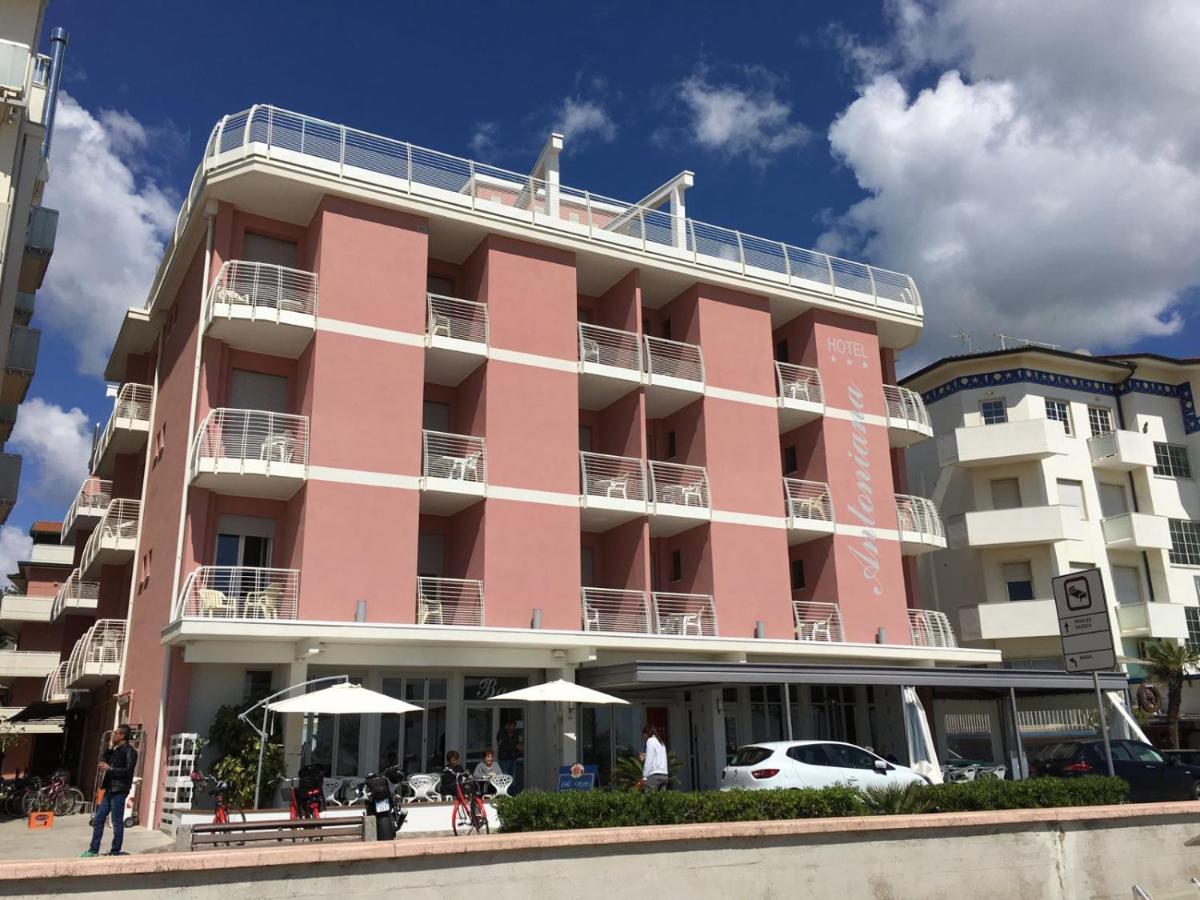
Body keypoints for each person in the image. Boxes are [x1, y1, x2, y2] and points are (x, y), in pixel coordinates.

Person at [81, 724, 137, 857]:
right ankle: (93, 849)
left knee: (116, 822)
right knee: (98, 819)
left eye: (116, 733)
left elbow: (128, 770)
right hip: (109, 789)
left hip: (119, 789)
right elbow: (105, 759)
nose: (113, 735)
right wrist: (110, 748)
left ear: (122, 735)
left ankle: (115, 850)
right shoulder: (116, 750)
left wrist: (110, 769)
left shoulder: (130, 751)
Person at [496, 719, 523, 792]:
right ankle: (503, 793)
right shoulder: (501, 733)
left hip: (513, 759)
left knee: (512, 779)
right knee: (504, 779)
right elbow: (501, 745)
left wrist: (518, 748)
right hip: (504, 759)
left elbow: (520, 744)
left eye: (513, 726)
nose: (511, 728)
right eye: (509, 726)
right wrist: (514, 746)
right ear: (506, 726)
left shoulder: (516, 733)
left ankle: (512, 794)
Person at [641, 724, 668, 791]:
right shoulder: (661, 743)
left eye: (644, 736)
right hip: (664, 775)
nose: (645, 738)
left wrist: (644, 776)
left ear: (647, 733)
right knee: (662, 797)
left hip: (655, 775)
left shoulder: (650, 741)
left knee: (649, 796)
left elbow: (649, 760)